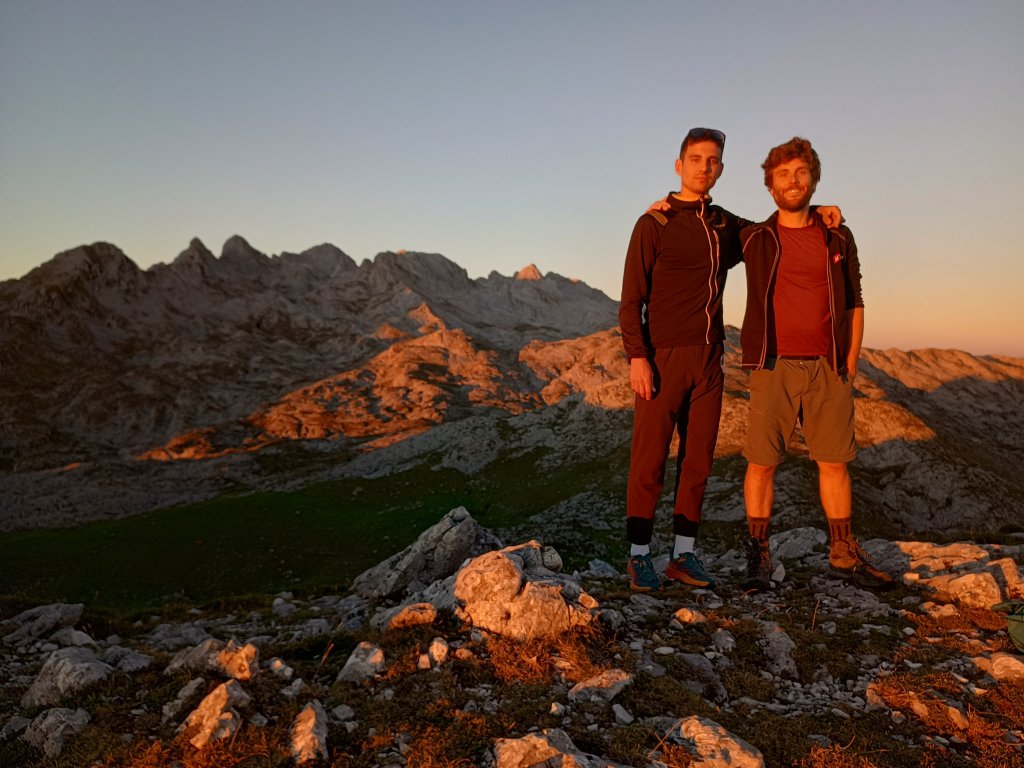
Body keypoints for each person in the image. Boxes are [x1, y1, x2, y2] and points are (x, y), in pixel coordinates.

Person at [618, 129, 841, 592]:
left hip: (711, 359)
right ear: (679, 165)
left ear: (720, 168)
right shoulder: (653, 225)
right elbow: (630, 300)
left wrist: (815, 211)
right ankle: (639, 557)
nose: (705, 166)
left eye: (713, 160)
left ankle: (683, 556)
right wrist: (637, 357)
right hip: (662, 359)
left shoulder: (724, 223)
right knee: (649, 461)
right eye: (696, 159)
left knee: (698, 461)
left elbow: (771, 230)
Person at [738, 136, 894, 592]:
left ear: (814, 178)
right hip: (773, 365)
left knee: (834, 461)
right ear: (770, 186)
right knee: (762, 462)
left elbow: (856, 297)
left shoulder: (838, 235)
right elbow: (703, 220)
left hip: (828, 366)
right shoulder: (755, 237)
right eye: (783, 174)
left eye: (801, 172)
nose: (792, 180)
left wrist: (851, 357)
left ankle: (843, 551)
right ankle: (757, 555)